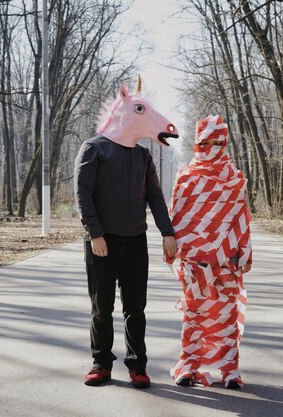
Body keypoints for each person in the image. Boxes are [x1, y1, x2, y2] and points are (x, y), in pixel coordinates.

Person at [74, 82, 178, 388]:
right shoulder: (94, 149)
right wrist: (95, 233)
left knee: (136, 307)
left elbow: (155, 197)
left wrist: (167, 232)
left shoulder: (143, 157)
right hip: (101, 242)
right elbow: (83, 194)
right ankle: (100, 363)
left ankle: (137, 365)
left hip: (135, 242)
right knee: (101, 305)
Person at [167, 115, 252, 389]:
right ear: (197, 143)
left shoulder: (234, 178)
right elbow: (176, 216)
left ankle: (230, 371)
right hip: (195, 260)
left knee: (226, 315)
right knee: (194, 314)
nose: (212, 147)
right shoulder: (186, 177)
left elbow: (242, 216)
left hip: (227, 259)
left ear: (226, 142)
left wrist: (246, 252)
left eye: (219, 142)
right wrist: (171, 248)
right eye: (206, 142)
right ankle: (188, 367)